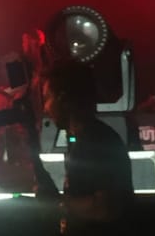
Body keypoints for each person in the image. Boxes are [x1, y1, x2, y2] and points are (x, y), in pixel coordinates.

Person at [42, 62, 134, 235]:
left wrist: (58, 203)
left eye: (47, 98)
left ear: (63, 99)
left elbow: (105, 208)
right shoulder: (86, 138)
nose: (45, 107)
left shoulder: (96, 141)